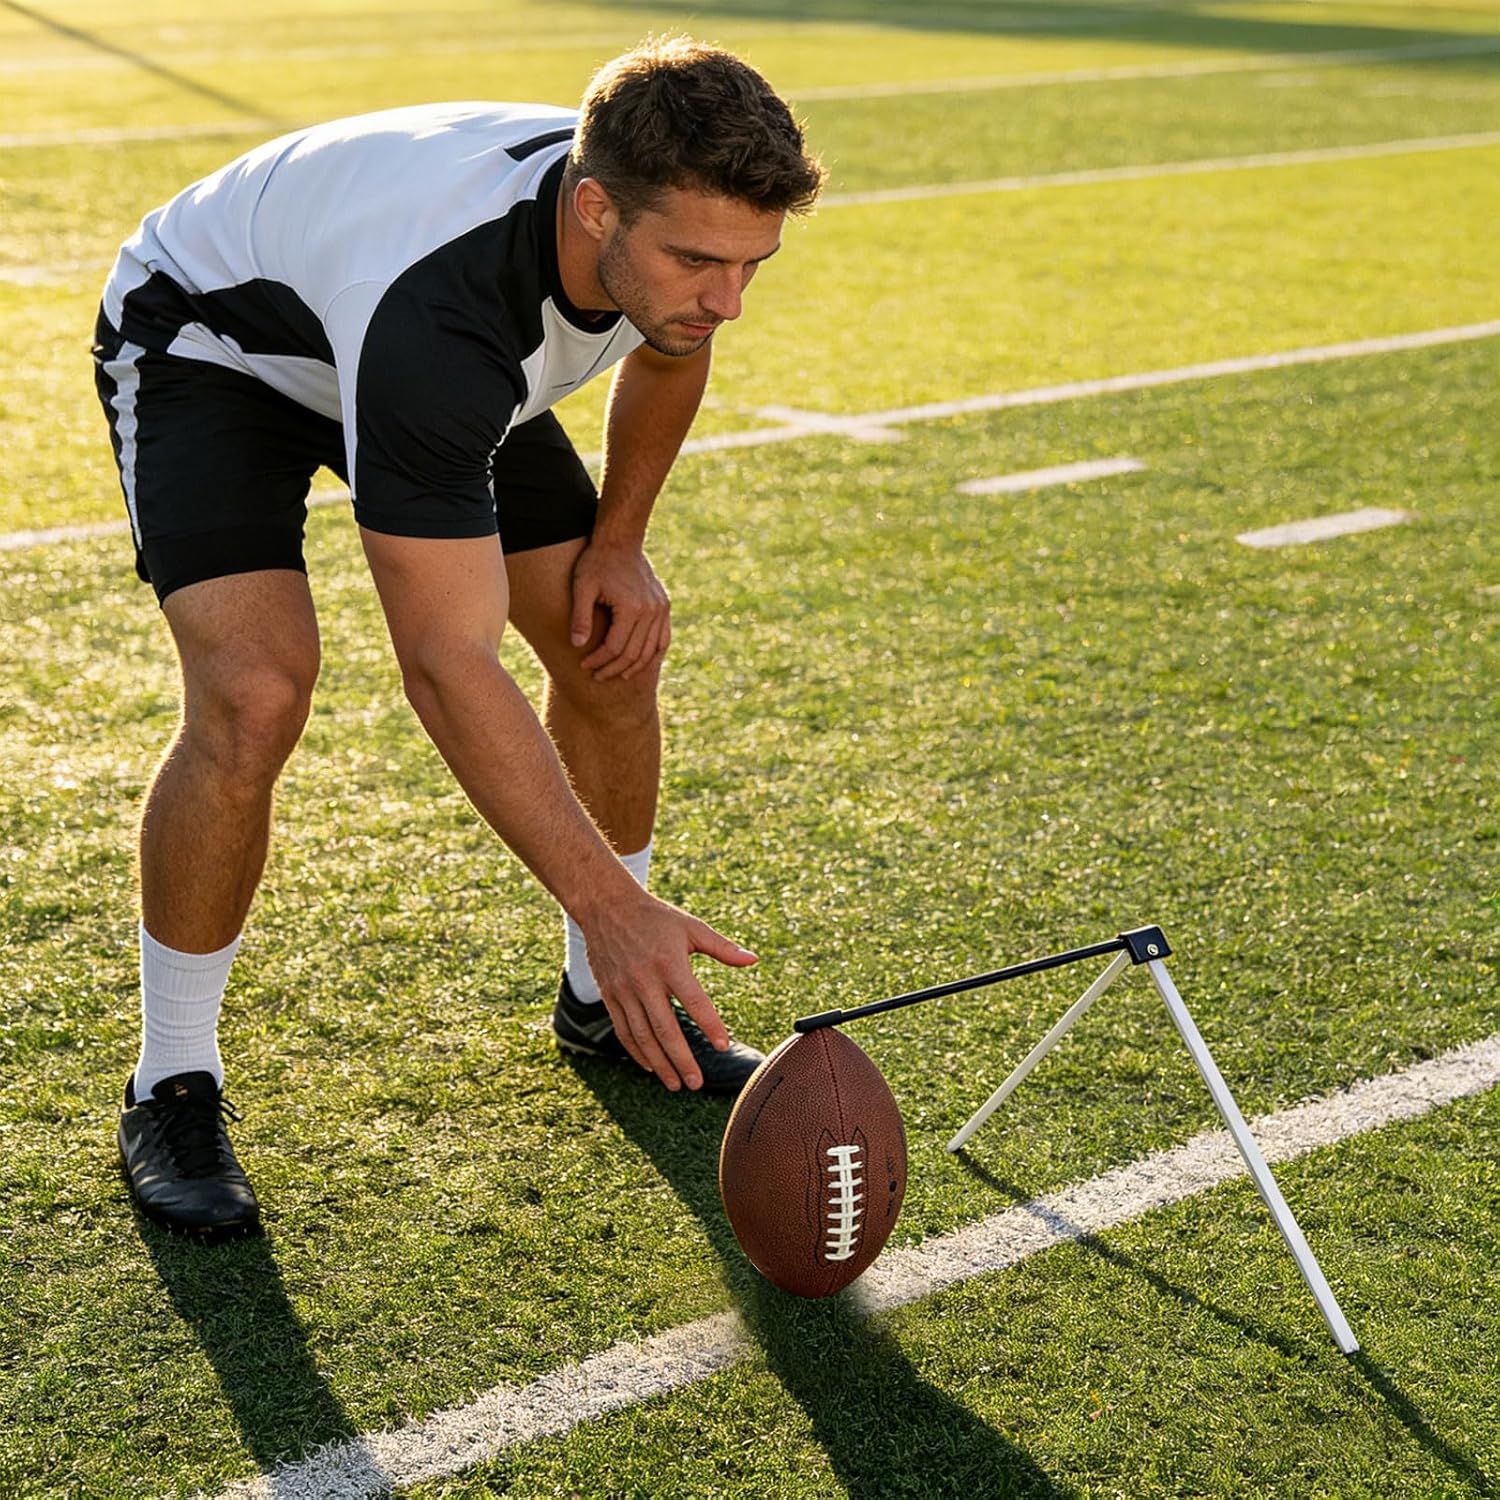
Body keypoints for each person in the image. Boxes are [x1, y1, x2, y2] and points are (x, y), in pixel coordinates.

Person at [93, 38, 825, 1237]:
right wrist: (612, 901)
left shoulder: (664, 223)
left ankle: (605, 1006)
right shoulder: (439, 309)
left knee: (604, 638)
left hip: (415, 347)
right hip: (213, 346)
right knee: (258, 693)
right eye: (701, 259)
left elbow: (674, 346)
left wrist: (621, 540)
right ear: (595, 212)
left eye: (754, 264)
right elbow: (445, 661)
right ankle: (170, 1078)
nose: (728, 295)